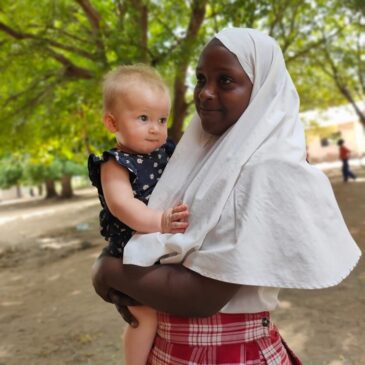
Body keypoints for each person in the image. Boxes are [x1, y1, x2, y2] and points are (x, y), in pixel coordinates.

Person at [92, 28, 361, 365]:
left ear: (262, 90)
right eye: (201, 79)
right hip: (172, 349)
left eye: (226, 81)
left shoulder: (267, 170)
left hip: (225, 354)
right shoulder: (202, 155)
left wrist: (107, 272)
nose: (205, 93)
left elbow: (201, 296)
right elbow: (148, 230)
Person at [88, 64, 189, 365]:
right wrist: (160, 220)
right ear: (111, 122)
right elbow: (122, 205)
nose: (156, 128)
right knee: (144, 315)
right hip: (130, 245)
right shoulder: (115, 163)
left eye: (162, 119)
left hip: (160, 238)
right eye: (143, 118)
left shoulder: (166, 151)